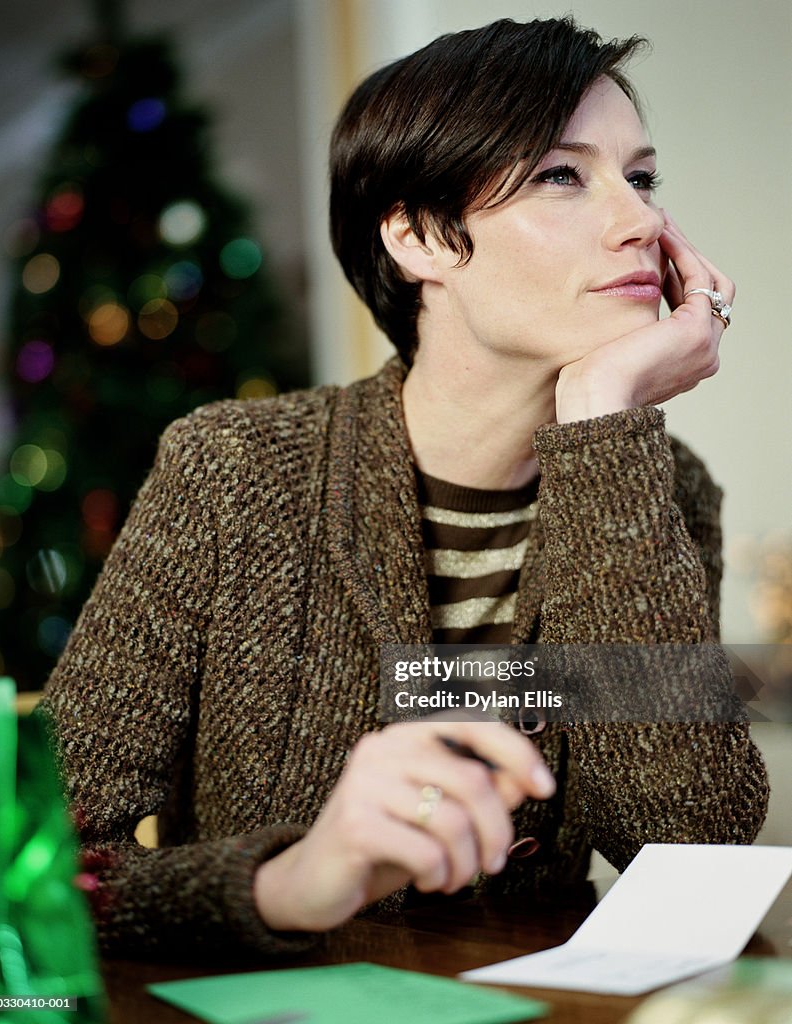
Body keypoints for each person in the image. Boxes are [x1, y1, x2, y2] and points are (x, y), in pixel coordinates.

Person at [41, 17, 769, 957]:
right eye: (561, 174)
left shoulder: (656, 482)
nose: (640, 222)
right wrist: (285, 885)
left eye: (639, 177)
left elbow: (689, 844)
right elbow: (43, 858)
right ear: (420, 235)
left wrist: (601, 421)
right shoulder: (233, 469)